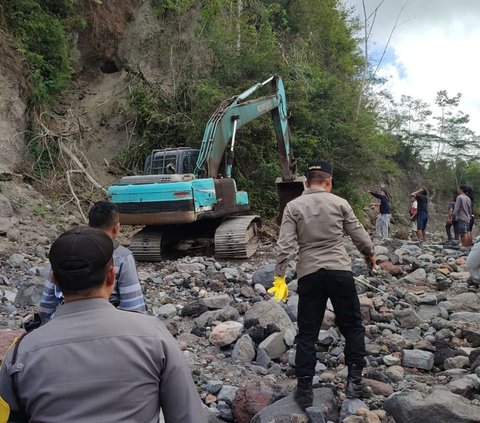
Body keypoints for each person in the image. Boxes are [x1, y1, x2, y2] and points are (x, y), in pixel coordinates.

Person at [0, 227, 205, 422]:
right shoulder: (154, 336)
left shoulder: (20, 353)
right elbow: (188, 417)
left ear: (54, 280)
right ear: (111, 276)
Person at [270, 160, 375, 409]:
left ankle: (305, 389)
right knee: (352, 327)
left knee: (307, 333)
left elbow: (285, 246)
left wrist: (279, 277)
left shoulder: (293, 206)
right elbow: (359, 234)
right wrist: (370, 255)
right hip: (340, 271)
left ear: (306, 183)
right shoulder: (340, 203)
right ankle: (354, 382)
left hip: (310, 273)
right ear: (329, 182)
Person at [38, 201, 146, 322]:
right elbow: (134, 308)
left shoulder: (66, 250)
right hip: (108, 323)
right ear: (116, 227)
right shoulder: (122, 257)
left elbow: (46, 306)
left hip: (61, 321)